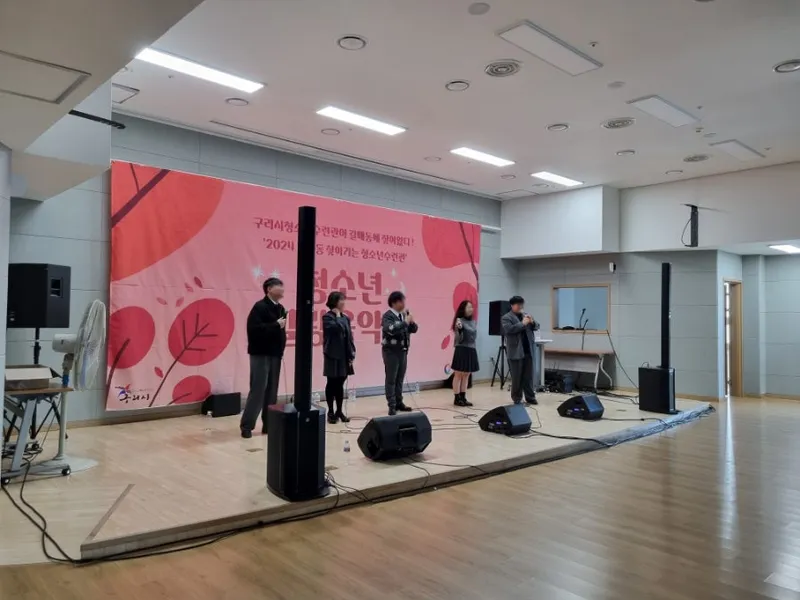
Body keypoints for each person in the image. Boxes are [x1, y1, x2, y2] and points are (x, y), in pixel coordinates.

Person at [240, 277, 287, 438]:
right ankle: (247, 426)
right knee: (258, 389)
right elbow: (254, 330)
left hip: (275, 354)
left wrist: (281, 349)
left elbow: (281, 331)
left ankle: (269, 424)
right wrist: (275, 325)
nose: (282, 289)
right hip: (260, 353)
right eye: (278, 286)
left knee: (272, 391)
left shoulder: (281, 308)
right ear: (269, 289)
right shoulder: (259, 307)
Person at [381, 291, 418, 416]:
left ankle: (399, 402)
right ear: (394, 302)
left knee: (400, 378)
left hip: (403, 351)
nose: (403, 304)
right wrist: (405, 322)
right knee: (391, 379)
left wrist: (411, 322)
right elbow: (390, 329)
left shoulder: (403, 316)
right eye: (401, 301)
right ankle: (391, 405)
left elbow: (414, 329)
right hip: (391, 351)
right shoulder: (388, 316)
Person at [322, 291, 355, 425]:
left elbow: (349, 336)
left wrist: (352, 353)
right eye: (341, 300)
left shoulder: (345, 318)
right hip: (332, 355)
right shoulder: (327, 317)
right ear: (334, 302)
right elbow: (337, 328)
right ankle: (330, 412)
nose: (343, 302)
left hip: (344, 355)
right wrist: (337, 316)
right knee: (332, 383)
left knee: (340, 383)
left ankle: (339, 411)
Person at [501, 295, 539, 405]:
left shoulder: (526, 315)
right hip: (515, 351)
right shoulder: (506, 318)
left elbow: (537, 326)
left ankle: (530, 397)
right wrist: (523, 323)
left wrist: (532, 322)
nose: (520, 307)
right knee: (517, 377)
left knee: (528, 377)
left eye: (522, 304)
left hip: (528, 350)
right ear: (512, 305)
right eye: (518, 305)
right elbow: (510, 329)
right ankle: (517, 398)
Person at [451, 300, 479, 407]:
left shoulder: (473, 322)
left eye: (471, 307)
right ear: (463, 309)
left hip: (471, 348)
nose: (471, 309)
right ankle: (456, 398)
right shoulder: (459, 321)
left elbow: (474, 337)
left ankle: (463, 397)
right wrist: (460, 329)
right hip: (461, 349)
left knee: (467, 375)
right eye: (468, 307)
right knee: (458, 374)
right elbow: (458, 339)